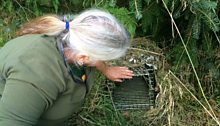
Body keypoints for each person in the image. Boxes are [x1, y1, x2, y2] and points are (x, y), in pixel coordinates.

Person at [0, 9, 134, 126]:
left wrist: (106, 69)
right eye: (105, 59)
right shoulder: (35, 75)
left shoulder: (75, 33)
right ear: (83, 57)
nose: (105, 62)